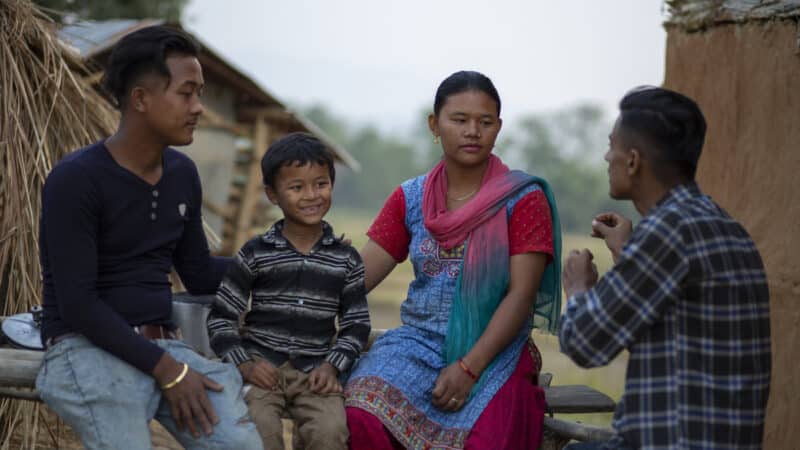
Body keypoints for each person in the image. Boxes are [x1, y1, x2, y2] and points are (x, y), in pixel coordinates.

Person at [36, 26, 262, 449]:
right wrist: (167, 371)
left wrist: (268, 265)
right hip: (84, 350)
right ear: (140, 99)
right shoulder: (76, 179)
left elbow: (196, 272)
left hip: (166, 348)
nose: (198, 107)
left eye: (200, 93)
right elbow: (78, 304)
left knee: (241, 445)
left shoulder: (181, 175)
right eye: (187, 93)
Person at [344, 71, 562, 450]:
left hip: (495, 351)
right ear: (435, 124)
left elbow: (520, 296)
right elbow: (356, 280)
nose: (473, 131)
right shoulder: (409, 198)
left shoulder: (523, 199)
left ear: (499, 128)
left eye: (485, 121)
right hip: (417, 343)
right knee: (360, 415)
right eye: (459, 120)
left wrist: (468, 368)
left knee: (483, 442)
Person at [560, 86, 771, 449]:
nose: (606, 156)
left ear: (633, 161)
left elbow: (585, 343)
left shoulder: (669, 229)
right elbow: (674, 325)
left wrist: (578, 286)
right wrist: (629, 253)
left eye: (612, 146)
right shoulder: (718, 221)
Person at [206, 132, 371, 450]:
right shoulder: (256, 252)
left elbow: (357, 324)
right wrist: (245, 364)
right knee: (258, 431)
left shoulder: (345, 259)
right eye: (297, 187)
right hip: (261, 369)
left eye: (321, 184)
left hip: (316, 373)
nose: (311, 195)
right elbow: (221, 318)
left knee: (331, 433)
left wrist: (332, 365)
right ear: (273, 194)